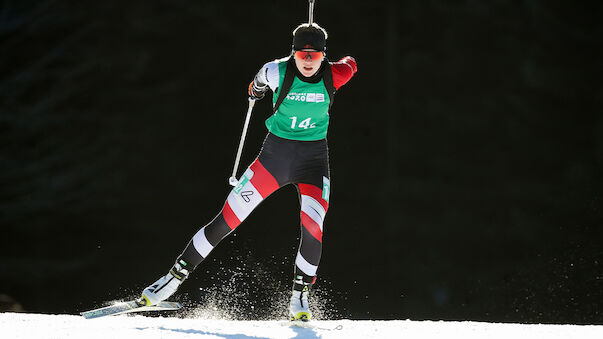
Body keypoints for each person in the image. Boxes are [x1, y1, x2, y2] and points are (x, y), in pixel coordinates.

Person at [139, 22, 357, 321]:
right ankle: (171, 279)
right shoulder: (275, 71)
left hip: (313, 164)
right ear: (292, 54)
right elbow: (257, 82)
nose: (308, 62)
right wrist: (256, 90)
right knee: (226, 220)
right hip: (273, 161)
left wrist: (344, 62)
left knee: (313, 226)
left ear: (322, 56)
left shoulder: (335, 74)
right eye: (302, 55)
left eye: (315, 56)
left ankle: (299, 297)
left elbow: (351, 65)